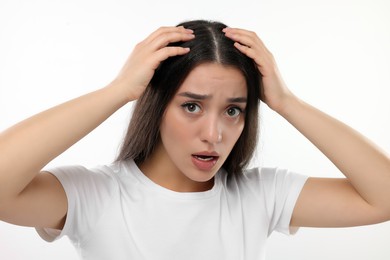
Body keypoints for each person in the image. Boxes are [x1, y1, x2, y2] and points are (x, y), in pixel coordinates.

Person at [0, 19, 389, 259]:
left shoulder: (260, 195)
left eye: (233, 109)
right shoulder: (94, 194)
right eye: (191, 106)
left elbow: (383, 198)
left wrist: (287, 102)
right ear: (156, 105)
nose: (213, 134)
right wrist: (117, 91)